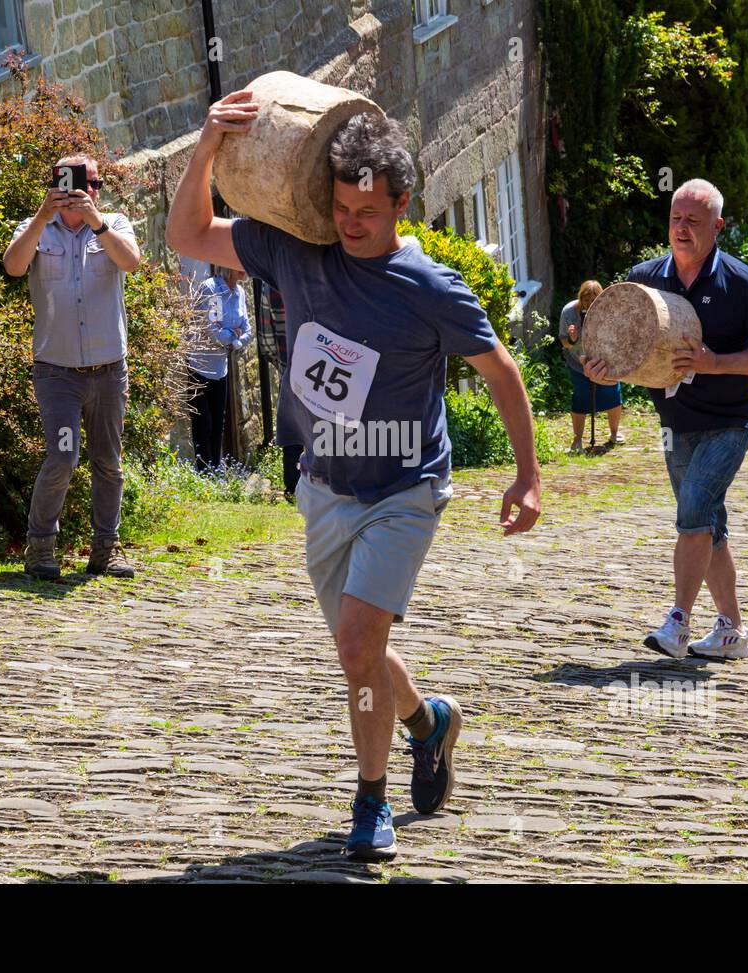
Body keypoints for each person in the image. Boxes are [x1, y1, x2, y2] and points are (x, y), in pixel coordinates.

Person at [166, 91, 541, 861]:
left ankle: (369, 802)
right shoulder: (295, 252)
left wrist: (527, 475)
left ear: (401, 203)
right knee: (356, 648)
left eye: (366, 211)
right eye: (340, 208)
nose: (350, 223)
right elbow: (189, 233)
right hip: (326, 484)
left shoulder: (431, 286)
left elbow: (501, 371)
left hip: (405, 487)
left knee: (357, 639)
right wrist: (206, 145)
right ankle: (429, 723)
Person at [583, 179, 748, 662]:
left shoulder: (744, 284)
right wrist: (603, 367)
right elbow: (625, 348)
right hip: (674, 421)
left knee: (694, 510)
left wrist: (717, 362)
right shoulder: (644, 279)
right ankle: (731, 631)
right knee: (708, 525)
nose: (681, 228)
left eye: (693, 221)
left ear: (717, 227)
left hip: (729, 421)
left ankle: (677, 622)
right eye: (676, 219)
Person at [3, 153, 142, 579]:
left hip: (107, 369)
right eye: (76, 184)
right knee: (62, 456)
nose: (86, 191)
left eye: (94, 184)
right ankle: (40, 550)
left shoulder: (114, 224)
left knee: (108, 461)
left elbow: (131, 262)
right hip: (58, 372)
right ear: (55, 185)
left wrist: (96, 219)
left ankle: (106, 549)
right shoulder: (36, 228)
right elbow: (13, 266)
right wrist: (44, 215)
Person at [187, 266, 252, 471]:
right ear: (227, 265)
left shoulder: (240, 293)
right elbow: (215, 333)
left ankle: (215, 472)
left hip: (221, 366)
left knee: (218, 425)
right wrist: (234, 334)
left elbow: (248, 331)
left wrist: (232, 338)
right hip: (200, 365)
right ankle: (203, 473)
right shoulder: (212, 290)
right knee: (203, 423)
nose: (246, 267)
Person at [559, 279, 623, 451]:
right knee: (580, 396)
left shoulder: (609, 310)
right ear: (580, 298)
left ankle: (614, 433)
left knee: (612, 392)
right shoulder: (569, 312)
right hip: (578, 361)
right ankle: (577, 440)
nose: (590, 304)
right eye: (586, 300)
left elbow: (618, 337)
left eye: (594, 300)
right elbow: (564, 342)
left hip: (605, 359)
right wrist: (572, 339)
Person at [254, 283, 303, 498]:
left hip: (290, 366)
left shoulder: (271, 282)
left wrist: (281, 364)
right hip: (328, 365)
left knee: (292, 429)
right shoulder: (325, 268)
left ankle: (293, 486)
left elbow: (266, 337)